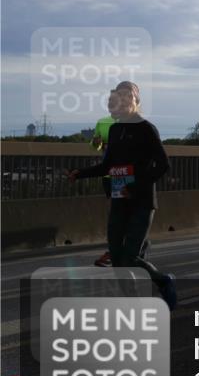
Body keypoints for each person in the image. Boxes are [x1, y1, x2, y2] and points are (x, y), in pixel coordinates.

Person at [69, 81, 177, 309]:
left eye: (128, 96)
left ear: (136, 101)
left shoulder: (147, 128)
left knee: (130, 256)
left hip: (142, 201)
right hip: (119, 200)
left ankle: (163, 280)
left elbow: (164, 165)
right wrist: (80, 173)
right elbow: (107, 165)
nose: (123, 100)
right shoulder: (115, 130)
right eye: (120, 96)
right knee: (117, 258)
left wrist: (136, 187)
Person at [90, 112, 117, 267]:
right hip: (107, 175)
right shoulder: (102, 122)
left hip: (123, 175)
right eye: (110, 101)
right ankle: (115, 250)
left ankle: (116, 251)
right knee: (112, 211)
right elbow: (95, 146)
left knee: (119, 211)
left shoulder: (130, 122)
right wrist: (96, 142)